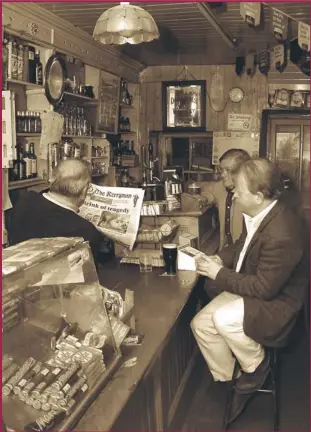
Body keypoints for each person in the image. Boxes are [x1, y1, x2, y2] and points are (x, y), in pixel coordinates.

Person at [191, 158, 308, 424]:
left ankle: (257, 367)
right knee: (200, 325)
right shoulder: (259, 212)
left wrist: (217, 274)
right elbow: (242, 246)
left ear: (258, 195)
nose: (233, 192)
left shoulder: (283, 232)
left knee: (222, 319)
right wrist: (221, 260)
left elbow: (264, 289)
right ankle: (232, 380)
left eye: (239, 190)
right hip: (257, 287)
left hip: (279, 303)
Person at [8, 159, 103, 262]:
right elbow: (91, 274)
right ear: (86, 189)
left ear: (51, 179)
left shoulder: (24, 202)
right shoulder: (85, 230)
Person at [197, 148, 251, 251]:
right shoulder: (219, 187)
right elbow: (210, 194)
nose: (222, 175)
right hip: (225, 250)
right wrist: (204, 198)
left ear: (242, 171)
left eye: (228, 170)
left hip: (245, 252)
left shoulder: (251, 195)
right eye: (222, 170)